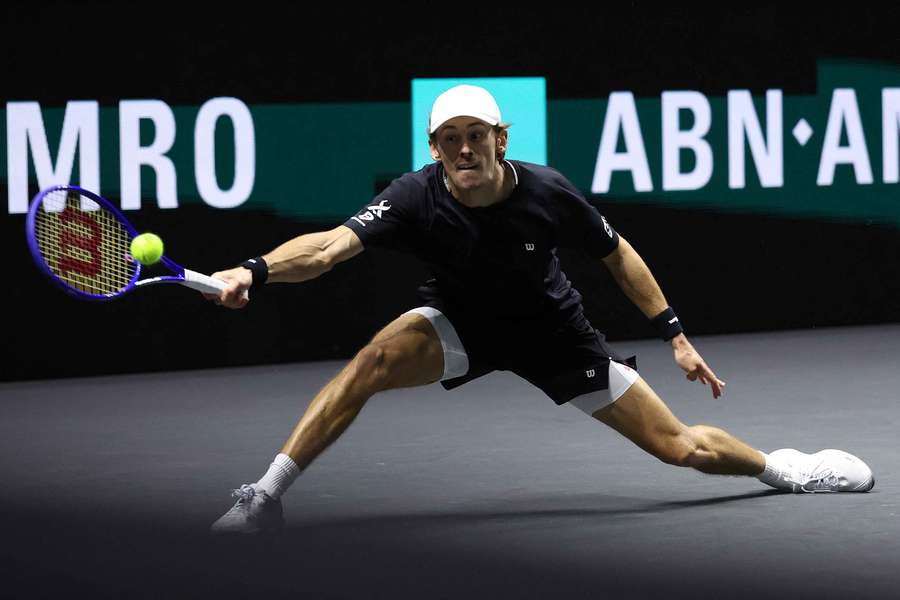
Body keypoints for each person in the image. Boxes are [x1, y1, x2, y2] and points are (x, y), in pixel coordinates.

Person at [207, 85, 874, 534]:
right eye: (449, 139)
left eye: (476, 135)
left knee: (682, 449)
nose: (463, 149)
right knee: (373, 361)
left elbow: (618, 254)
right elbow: (328, 248)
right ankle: (265, 495)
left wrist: (672, 333)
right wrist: (254, 270)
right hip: (463, 326)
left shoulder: (549, 192)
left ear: (500, 137)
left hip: (556, 336)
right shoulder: (413, 195)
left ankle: (784, 468)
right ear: (433, 147)